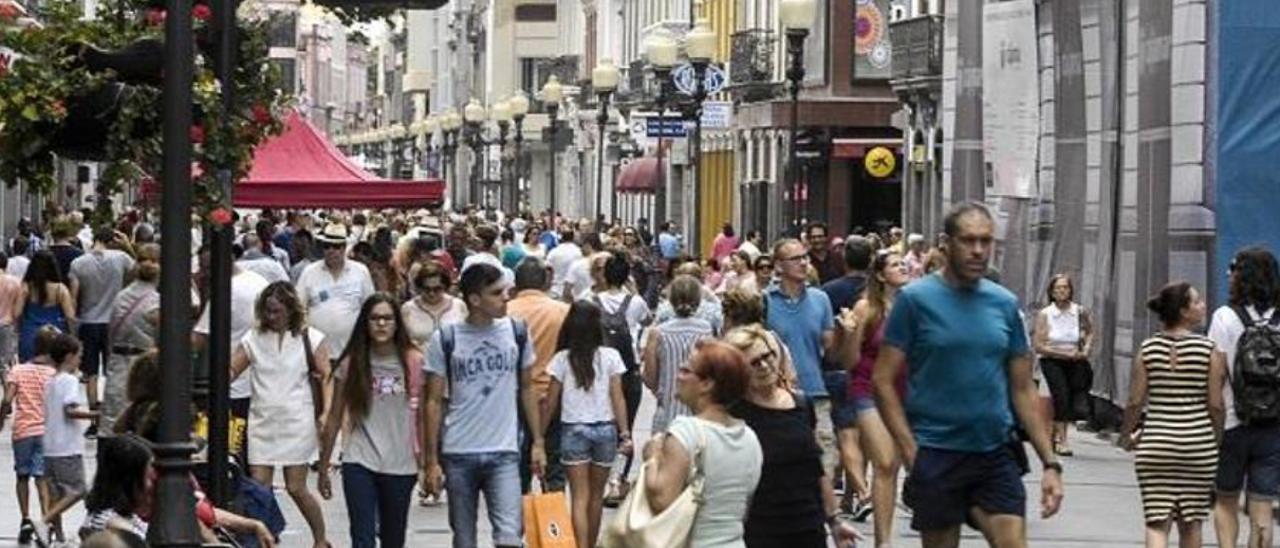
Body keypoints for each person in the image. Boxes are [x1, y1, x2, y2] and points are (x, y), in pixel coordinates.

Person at [872, 202, 1063, 547]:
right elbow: (883, 381)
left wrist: (1050, 462)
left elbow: (1022, 391)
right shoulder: (915, 301)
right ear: (946, 243)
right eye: (968, 240)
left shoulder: (1004, 304)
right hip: (936, 450)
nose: (978, 250)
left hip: (994, 451)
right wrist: (909, 449)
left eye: (986, 241)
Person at [420, 263, 543, 548]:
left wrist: (537, 442)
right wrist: (431, 461)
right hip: (459, 451)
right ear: (474, 299)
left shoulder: (516, 332)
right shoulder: (446, 339)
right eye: (496, 292)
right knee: (464, 539)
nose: (506, 298)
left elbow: (527, 387)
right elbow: (433, 400)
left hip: (505, 451)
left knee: (510, 537)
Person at [725, 326, 859, 548]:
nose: (765, 366)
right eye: (754, 363)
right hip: (759, 530)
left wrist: (834, 521)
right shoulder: (734, 413)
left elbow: (815, 467)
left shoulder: (801, 404)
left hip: (808, 526)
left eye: (767, 356)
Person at [1119, 282, 1223, 548]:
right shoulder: (1208, 349)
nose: (1202, 306)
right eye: (1197, 302)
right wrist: (1216, 437)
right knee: (1191, 525)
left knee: (1157, 523)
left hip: (1156, 444)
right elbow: (1215, 404)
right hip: (1198, 446)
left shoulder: (1148, 348)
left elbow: (1134, 401)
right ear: (1184, 311)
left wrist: (1126, 435)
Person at [230, 282, 332, 548]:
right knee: (259, 487)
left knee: (296, 487)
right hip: (262, 419)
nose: (271, 317)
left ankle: (320, 538)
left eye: (276, 311)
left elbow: (326, 377)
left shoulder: (311, 338)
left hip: (296, 419)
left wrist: (327, 412)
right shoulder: (253, 338)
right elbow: (232, 369)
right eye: (267, 311)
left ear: (290, 310)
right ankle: (264, 539)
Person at [319, 293, 422, 548]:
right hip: (359, 459)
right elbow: (334, 417)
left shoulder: (414, 361)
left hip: (401, 463)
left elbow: (426, 416)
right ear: (365, 322)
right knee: (362, 538)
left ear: (397, 323)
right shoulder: (352, 363)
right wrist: (324, 465)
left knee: (393, 538)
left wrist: (431, 463)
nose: (381, 324)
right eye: (374, 318)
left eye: (388, 318)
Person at [639, 340, 763, 547]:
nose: (678, 376)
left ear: (707, 384)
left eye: (686, 370)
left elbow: (661, 500)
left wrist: (652, 457)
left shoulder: (686, 432)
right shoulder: (750, 437)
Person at [764, 239, 854, 490]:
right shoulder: (765, 301)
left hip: (816, 394)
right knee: (781, 463)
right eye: (795, 259)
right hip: (777, 396)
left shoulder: (820, 299)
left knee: (824, 461)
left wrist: (843, 332)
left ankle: (822, 515)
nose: (803, 262)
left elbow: (832, 351)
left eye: (805, 257)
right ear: (779, 266)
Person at [543, 300, 632, 548]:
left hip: (573, 429)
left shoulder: (562, 359)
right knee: (596, 497)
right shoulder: (611, 357)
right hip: (605, 429)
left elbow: (550, 402)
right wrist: (624, 432)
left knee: (579, 497)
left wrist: (539, 436)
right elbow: (618, 397)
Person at [1209, 246, 1280, 548]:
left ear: (1242, 276)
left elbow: (1215, 377)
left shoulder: (1225, 317)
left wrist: (1214, 425)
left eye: (1232, 269)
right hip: (1274, 425)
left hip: (1232, 422)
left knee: (1226, 500)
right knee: (1262, 508)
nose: (1228, 274)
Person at [847, 250, 911, 545]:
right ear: (881, 275)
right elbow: (849, 359)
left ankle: (882, 537)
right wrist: (846, 335)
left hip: (905, 393)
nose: (903, 267)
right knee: (884, 462)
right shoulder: (867, 308)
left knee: (893, 468)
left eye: (904, 263)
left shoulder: (913, 307)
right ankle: (883, 541)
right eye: (896, 264)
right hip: (868, 389)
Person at [507, 257, 571, 492]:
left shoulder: (505, 313)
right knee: (554, 468)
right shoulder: (563, 312)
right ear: (546, 281)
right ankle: (553, 523)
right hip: (553, 396)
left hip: (514, 398)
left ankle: (517, 520)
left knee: (517, 468)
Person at [820, 236, 873, 514]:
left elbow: (825, 334)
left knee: (846, 435)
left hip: (836, 370)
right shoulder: (874, 293)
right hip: (867, 372)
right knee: (858, 436)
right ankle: (851, 495)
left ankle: (858, 494)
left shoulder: (829, 291)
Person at [68, 227, 135, 436]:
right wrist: (128, 245)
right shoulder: (122, 258)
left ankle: (94, 418)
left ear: (95, 239)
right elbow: (139, 272)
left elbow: (73, 297)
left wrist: (72, 328)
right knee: (112, 370)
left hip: (88, 321)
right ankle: (112, 415)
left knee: (91, 373)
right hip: (113, 322)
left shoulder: (78, 264)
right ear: (112, 241)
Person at [1, 327, 57, 544]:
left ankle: (25, 519)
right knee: (41, 478)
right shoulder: (54, 375)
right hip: (44, 432)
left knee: (22, 476)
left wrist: (2, 416)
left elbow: (7, 399)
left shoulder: (19, 371)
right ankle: (45, 520)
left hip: (22, 431)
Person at [40, 333, 97, 543]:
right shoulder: (70, 381)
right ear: (68, 357)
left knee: (56, 494)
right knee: (79, 489)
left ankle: (57, 535)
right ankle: (44, 521)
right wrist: (96, 415)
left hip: (49, 446)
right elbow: (70, 410)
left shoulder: (49, 382)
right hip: (67, 446)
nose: (80, 360)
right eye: (78, 356)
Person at [296, 223, 377, 363]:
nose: (331, 251)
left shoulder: (361, 271)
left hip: (352, 352)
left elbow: (370, 308)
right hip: (317, 353)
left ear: (345, 247)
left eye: (336, 246)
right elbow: (298, 308)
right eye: (327, 246)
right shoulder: (309, 272)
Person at [1033, 274, 1095, 456]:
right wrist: (1063, 353)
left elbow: (1090, 330)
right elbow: (1039, 345)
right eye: (1057, 288)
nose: (1061, 291)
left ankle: (1056, 430)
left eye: (1065, 287)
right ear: (1051, 292)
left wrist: (1087, 349)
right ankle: (1062, 440)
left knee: (1073, 395)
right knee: (1061, 396)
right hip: (1052, 359)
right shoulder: (1046, 314)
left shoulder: (1079, 311)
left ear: (1070, 290)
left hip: (1075, 359)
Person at [103, 244, 160, 434]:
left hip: (118, 363)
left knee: (113, 418)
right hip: (144, 367)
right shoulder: (157, 303)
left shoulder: (121, 297)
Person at [78, 434, 152, 543]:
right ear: (131, 481)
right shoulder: (115, 525)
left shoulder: (110, 515)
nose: (150, 484)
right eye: (147, 476)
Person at [17, 251, 76, 363]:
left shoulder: (26, 288)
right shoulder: (60, 289)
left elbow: (17, 313)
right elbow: (70, 316)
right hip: (56, 335)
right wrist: (72, 336)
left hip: (30, 333)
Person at [400, 261, 467, 351]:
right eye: (426, 289)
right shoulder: (407, 309)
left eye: (437, 289)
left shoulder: (458, 306)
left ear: (445, 287)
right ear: (420, 287)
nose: (432, 294)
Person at [0, 252, 24, 370]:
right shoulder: (16, 282)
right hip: (8, 325)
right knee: (5, 363)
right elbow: (18, 310)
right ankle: (6, 386)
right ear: (6, 264)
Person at [546, 227, 583, 299]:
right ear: (573, 238)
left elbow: (547, 268)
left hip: (555, 289)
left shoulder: (554, 252)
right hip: (572, 291)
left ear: (562, 238)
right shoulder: (579, 252)